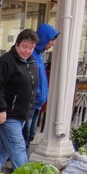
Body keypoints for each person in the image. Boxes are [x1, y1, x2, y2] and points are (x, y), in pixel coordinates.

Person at [0, 29, 39, 174]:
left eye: (31, 47)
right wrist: (0, 110)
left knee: (5, 147)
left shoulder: (31, 62)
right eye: (24, 46)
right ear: (17, 44)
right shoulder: (5, 62)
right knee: (18, 147)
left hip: (22, 113)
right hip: (8, 114)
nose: (27, 50)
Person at [23, 23, 59, 155]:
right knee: (25, 135)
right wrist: (36, 94)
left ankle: (23, 161)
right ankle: (21, 163)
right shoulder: (31, 56)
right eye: (51, 40)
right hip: (31, 103)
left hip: (37, 104)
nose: (52, 44)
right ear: (44, 38)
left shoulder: (39, 56)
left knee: (30, 135)